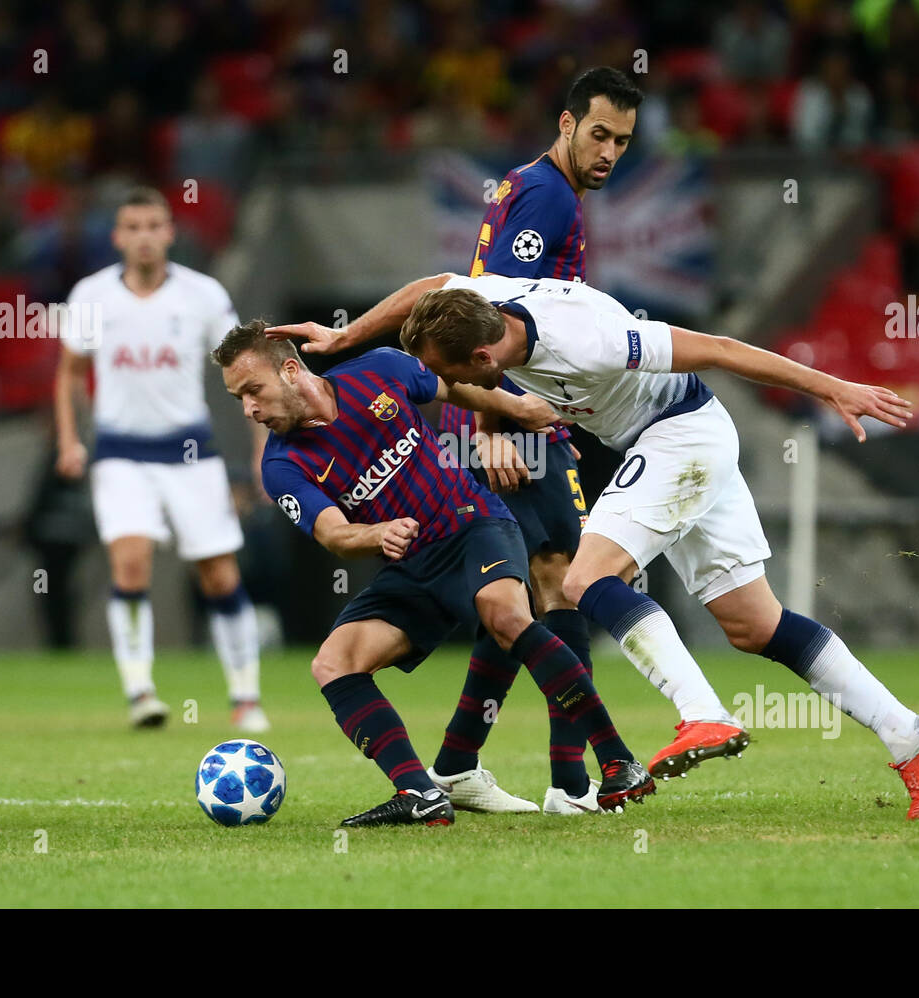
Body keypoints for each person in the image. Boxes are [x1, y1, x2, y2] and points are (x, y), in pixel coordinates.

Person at [323, 272, 919, 821]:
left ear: (486, 357)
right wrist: (346, 339)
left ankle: (704, 712)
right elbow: (431, 286)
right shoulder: (479, 302)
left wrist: (832, 388)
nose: (438, 385)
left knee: (584, 580)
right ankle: (909, 734)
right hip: (678, 439)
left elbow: (720, 349)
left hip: (678, 437)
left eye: (446, 373)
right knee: (754, 624)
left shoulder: (589, 341)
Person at [272, 66, 644, 816]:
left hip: (515, 414)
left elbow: (450, 291)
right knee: (552, 581)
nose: (609, 152)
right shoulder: (544, 195)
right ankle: (572, 779)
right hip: (513, 419)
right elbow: (481, 317)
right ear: (566, 125)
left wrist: (347, 336)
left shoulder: (532, 185)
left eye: (623, 141)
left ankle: (467, 764)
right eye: (599, 134)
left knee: (525, 590)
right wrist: (495, 420)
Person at [212, 320, 655, 825]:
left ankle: (619, 760)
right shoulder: (281, 464)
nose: (249, 408)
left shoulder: (378, 371)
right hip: (412, 566)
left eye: (253, 390)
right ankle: (421, 792)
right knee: (333, 663)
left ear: (291, 370)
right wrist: (374, 535)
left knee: (505, 616)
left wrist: (514, 409)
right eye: (238, 399)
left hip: (473, 525)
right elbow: (334, 533)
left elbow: (455, 385)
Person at [53, 186, 270, 731]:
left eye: (154, 225)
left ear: (170, 232)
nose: (144, 237)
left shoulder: (202, 295)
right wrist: (70, 441)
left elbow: (247, 372)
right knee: (130, 563)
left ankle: (245, 696)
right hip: (120, 451)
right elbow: (70, 373)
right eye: (134, 227)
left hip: (189, 451)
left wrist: (263, 447)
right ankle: (140, 691)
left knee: (218, 572)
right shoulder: (91, 295)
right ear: (118, 236)